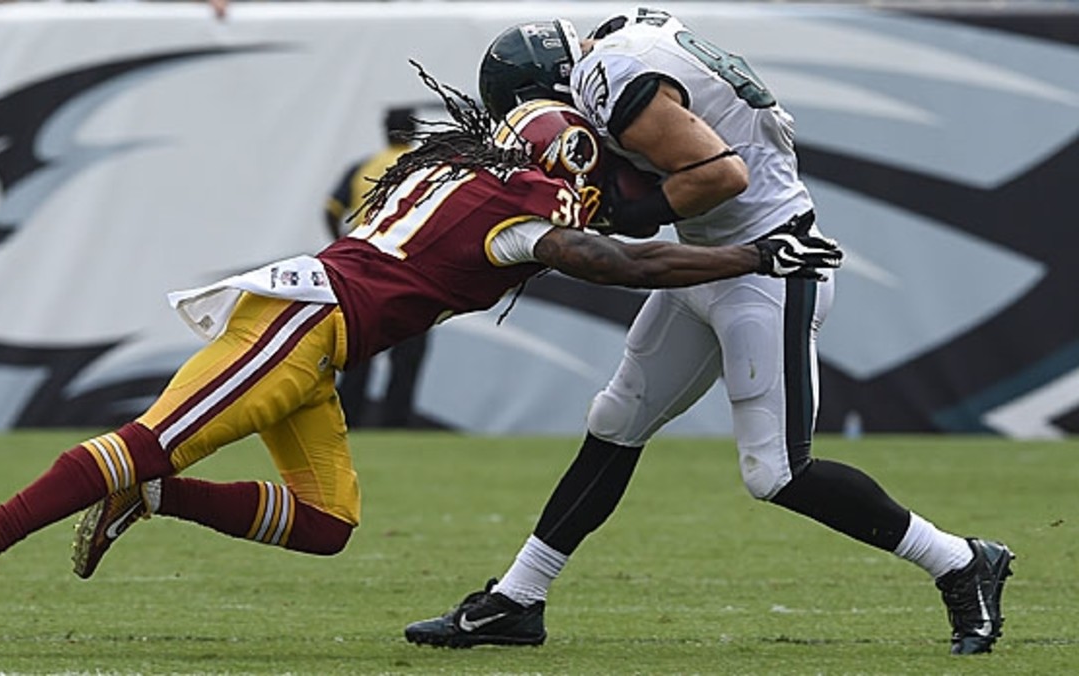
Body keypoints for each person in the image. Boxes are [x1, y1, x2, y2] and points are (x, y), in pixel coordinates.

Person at [0, 64, 840, 650]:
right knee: (150, 437)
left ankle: (150, 499)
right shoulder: (519, 208)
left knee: (326, 522)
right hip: (299, 326)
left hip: (318, 336)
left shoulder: (458, 168)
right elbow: (610, 259)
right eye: (596, 169)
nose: (608, 186)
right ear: (567, 157)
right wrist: (756, 255)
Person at [405, 12, 1013, 656]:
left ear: (556, 85)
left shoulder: (610, 75)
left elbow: (721, 176)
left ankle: (960, 561)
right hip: (708, 256)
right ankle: (517, 601)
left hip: (768, 264)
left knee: (776, 471)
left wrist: (619, 211)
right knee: (616, 421)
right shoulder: (624, 40)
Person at [324, 107, 430, 428]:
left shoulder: (363, 167)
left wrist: (342, 243)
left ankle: (349, 420)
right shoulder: (425, 168)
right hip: (412, 269)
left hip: (366, 268)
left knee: (360, 349)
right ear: (414, 130)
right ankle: (396, 421)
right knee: (408, 353)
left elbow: (330, 210)